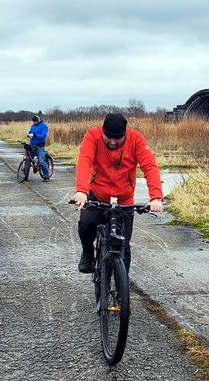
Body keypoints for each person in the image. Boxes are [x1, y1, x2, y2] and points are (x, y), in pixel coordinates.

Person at [72, 113, 164, 273]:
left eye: (117, 138)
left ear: (125, 133)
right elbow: (84, 161)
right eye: (108, 137)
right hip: (97, 194)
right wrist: (82, 191)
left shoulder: (136, 139)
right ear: (102, 131)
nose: (113, 142)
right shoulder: (93, 136)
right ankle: (87, 252)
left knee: (124, 245)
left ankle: (122, 291)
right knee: (86, 224)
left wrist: (156, 197)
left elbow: (150, 166)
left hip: (124, 198)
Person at [26, 114, 50, 181]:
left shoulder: (44, 126)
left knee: (42, 161)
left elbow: (43, 135)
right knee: (28, 160)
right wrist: (28, 135)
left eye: (35, 122)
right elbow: (30, 132)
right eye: (33, 122)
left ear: (38, 120)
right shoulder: (33, 126)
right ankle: (26, 176)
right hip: (32, 145)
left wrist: (34, 135)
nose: (34, 123)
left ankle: (46, 176)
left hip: (40, 146)